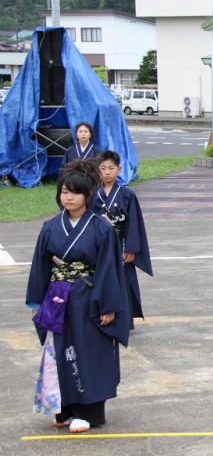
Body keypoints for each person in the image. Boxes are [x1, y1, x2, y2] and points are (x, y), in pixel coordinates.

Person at [26, 159, 129, 434]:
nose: (68, 197)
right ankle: (63, 409)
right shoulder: (50, 227)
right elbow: (40, 265)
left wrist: (109, 306)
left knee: (88, 350)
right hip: (57, 297)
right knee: (59, 351)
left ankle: (89, 412)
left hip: (88, 296)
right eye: (63, 192)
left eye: (74, 192)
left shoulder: (101, 228)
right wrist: (37, 303)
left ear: (87, 195)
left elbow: (110, 269)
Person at [92, 150, 152, 329]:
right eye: (103, 168)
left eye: (111, 168)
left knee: (123, 280)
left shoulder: (127, 194)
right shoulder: (92, 193)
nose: (107, 172)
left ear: (119, 170)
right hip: (99, 244)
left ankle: (124, 319)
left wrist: (131, 248)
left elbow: (134, 223)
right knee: (99, 278)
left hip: (121, 243)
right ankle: (100, 314)